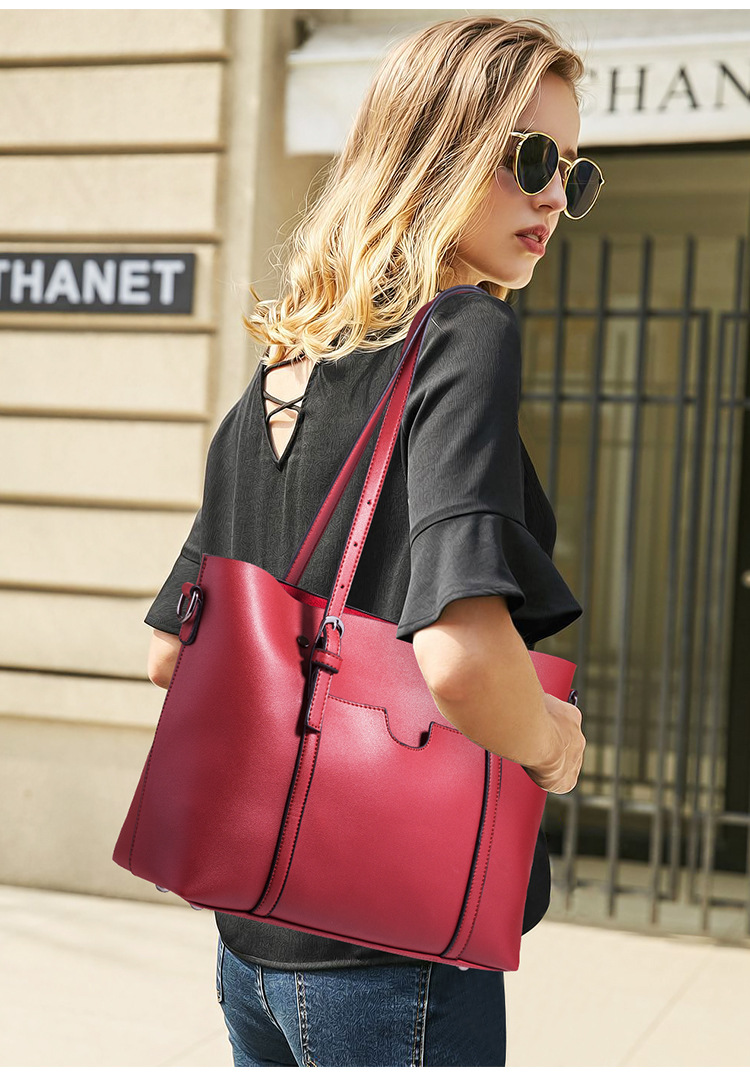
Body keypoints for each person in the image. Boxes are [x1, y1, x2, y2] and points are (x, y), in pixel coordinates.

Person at [143, 14, 597, 1068]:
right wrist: (553, 747)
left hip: (252, 946)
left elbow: (170, 652)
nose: (552, 198)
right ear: (434, 151)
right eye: (532, 158)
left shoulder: (284, 371)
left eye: (575, 176)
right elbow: (461, 659)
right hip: (396, 949)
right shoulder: (463, 335)